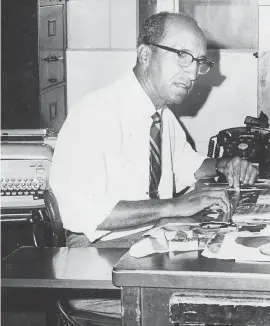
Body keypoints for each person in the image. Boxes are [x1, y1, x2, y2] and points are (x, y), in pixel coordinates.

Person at [50, 11, 257, 248]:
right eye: (182, 56)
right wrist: (174, 205)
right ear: (145, 54)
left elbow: (189, 166)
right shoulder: (93, 113)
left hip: (153, 234)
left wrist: (224, 164)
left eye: (199, 62)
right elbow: (79, 211)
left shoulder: (161, 116)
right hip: (99, 250)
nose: (191, 74)